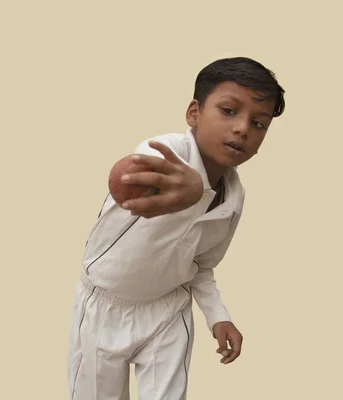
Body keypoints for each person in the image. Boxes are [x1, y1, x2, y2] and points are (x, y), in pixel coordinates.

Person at [67, 56, 286, 399]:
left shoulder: (234, 199)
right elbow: (134, 172)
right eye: (229, 111)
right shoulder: (167, 151)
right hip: (104, 308)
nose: (243, 128)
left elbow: (201, 266)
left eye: (258, 124)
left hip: (167, 311)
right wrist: (193, 191)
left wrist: (218, 316)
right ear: (194, 113)